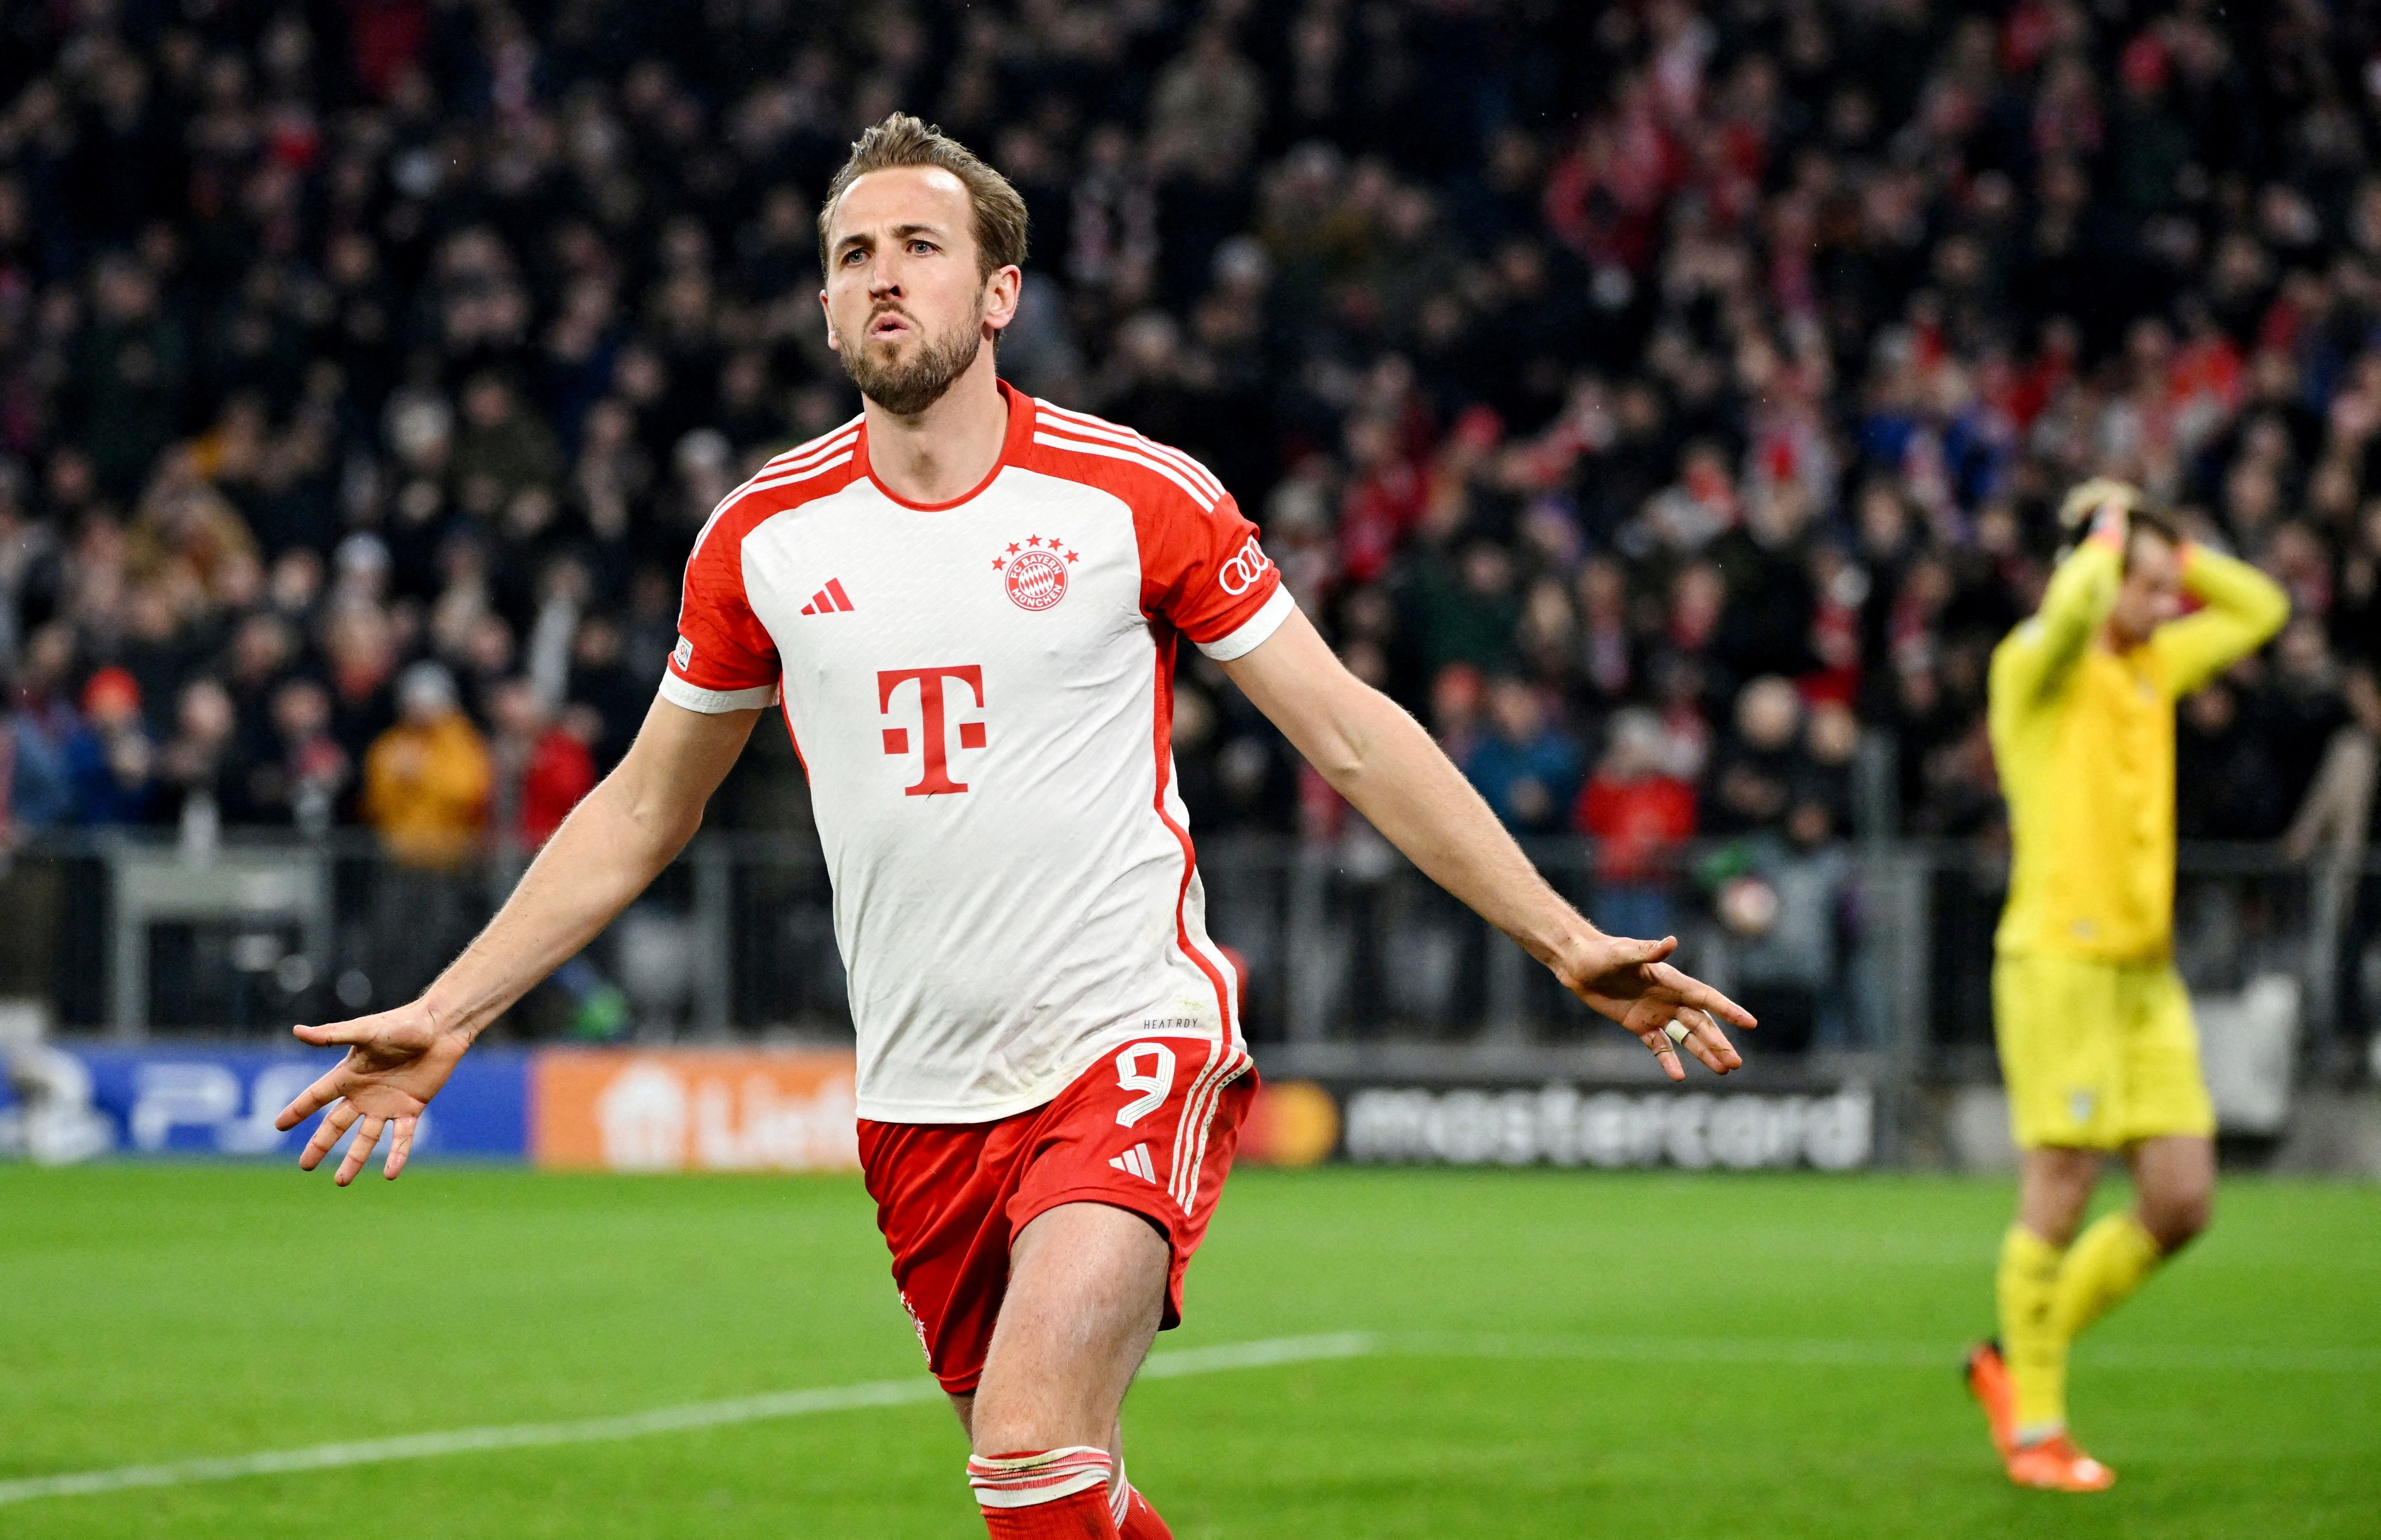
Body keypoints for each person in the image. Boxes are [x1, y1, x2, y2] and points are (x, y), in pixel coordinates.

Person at [272, 115, 1753, 1540]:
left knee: (1031, 1444)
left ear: (999, 293)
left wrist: (1562, 940)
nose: (882, 277)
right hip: (919, 1104)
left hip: (1128, 1039)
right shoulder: (760, 539)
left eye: (919, 246)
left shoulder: (1132, 496)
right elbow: (645, 810)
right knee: (1054, 1490)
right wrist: (455, 1010)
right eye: (852, 254)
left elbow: (1352, 733)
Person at [1964, 479, 2287, 1491]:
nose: (2165, 607)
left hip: (2145, 976)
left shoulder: (2153, 661)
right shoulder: (2034, 665)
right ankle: (2034, 1433)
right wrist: (2104, 534)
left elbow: (2261, 609)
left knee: (2180, 1201)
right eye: (2146, 587)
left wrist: (2170, 550)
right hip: (2057, 961)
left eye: (2166, 588)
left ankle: (2010, 1357)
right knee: (2059, 1191)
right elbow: (2067, 611)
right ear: (2093, 573)